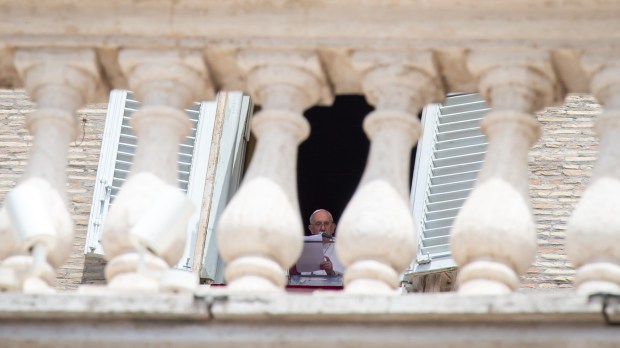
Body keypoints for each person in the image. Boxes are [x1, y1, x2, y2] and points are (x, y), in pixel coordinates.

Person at [290, 209, 342, 276]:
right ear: (311, 229)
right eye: (318, 224)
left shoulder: (343, 247)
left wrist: (331, 273)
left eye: (326, 223)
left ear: (333, 228)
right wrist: (294, 272)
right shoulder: (299, 246)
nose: (323, 228)